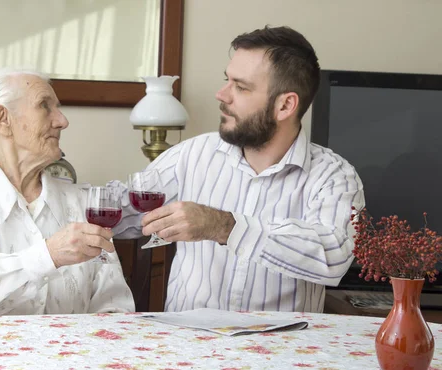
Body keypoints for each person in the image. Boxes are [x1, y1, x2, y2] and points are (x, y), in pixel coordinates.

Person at [112, 26, 365, 313]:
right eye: (227, 80)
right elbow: (123, 212)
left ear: (285, 105)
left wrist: (224, 226)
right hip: (187, 347)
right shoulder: (192, 154)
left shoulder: (334, 176)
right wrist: (52, 188)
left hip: (285, 351)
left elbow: (334, 257)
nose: (222, 95)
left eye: (241, 87)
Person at [0, 69, 134, 318]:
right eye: (45, 105)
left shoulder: (80, 201)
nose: (62, 121)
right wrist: (48, 255)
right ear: (2, 119)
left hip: (69, 355)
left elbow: (116, 306)